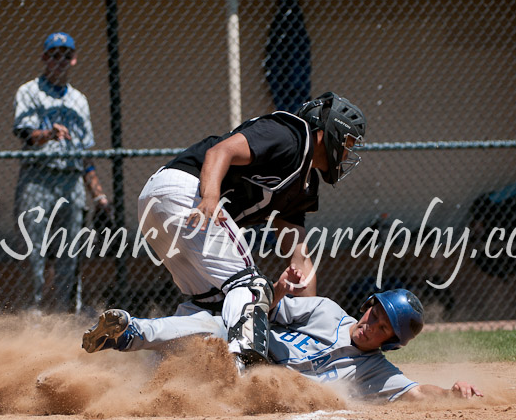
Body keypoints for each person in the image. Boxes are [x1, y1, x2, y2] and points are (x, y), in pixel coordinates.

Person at [137, 92, 366, 366]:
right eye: (348, 142)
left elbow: (300, 259)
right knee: (252, 286)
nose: (347, 153)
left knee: (212, 306)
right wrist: (210, 197)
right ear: (328, 132)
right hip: (187, 192)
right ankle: (243, 363)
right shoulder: (290, 135)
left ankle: (154, 367)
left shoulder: (304, 185)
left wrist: (310, 321)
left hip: (158, 205)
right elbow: (220, 151)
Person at [81, 266, 483, 402]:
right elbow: (264, 312)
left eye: (382, 328)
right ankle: (127, 333)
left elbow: (415, 392)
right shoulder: (327, 311)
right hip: (240, 354)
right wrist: (277, 289)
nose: (370, 324)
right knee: (215, 324)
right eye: (374, 313)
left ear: (390, 342)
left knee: (167, 380)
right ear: (368, 306)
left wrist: (452, 393)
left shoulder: (375, 371)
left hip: (249, 385)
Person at [13, 32, 111, 314]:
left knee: (71, 252)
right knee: (33, 251)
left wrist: (99, 195)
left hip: (71, 179)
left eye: (66, 55)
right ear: (45, 58)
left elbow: (84, 153)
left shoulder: (79, 100)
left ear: (74, 59)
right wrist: (49, 134)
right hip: (38, 176)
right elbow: (25, 133)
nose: (60, 60)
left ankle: (67, 315)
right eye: (54, 55)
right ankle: (32, 315)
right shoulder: (29, 91)